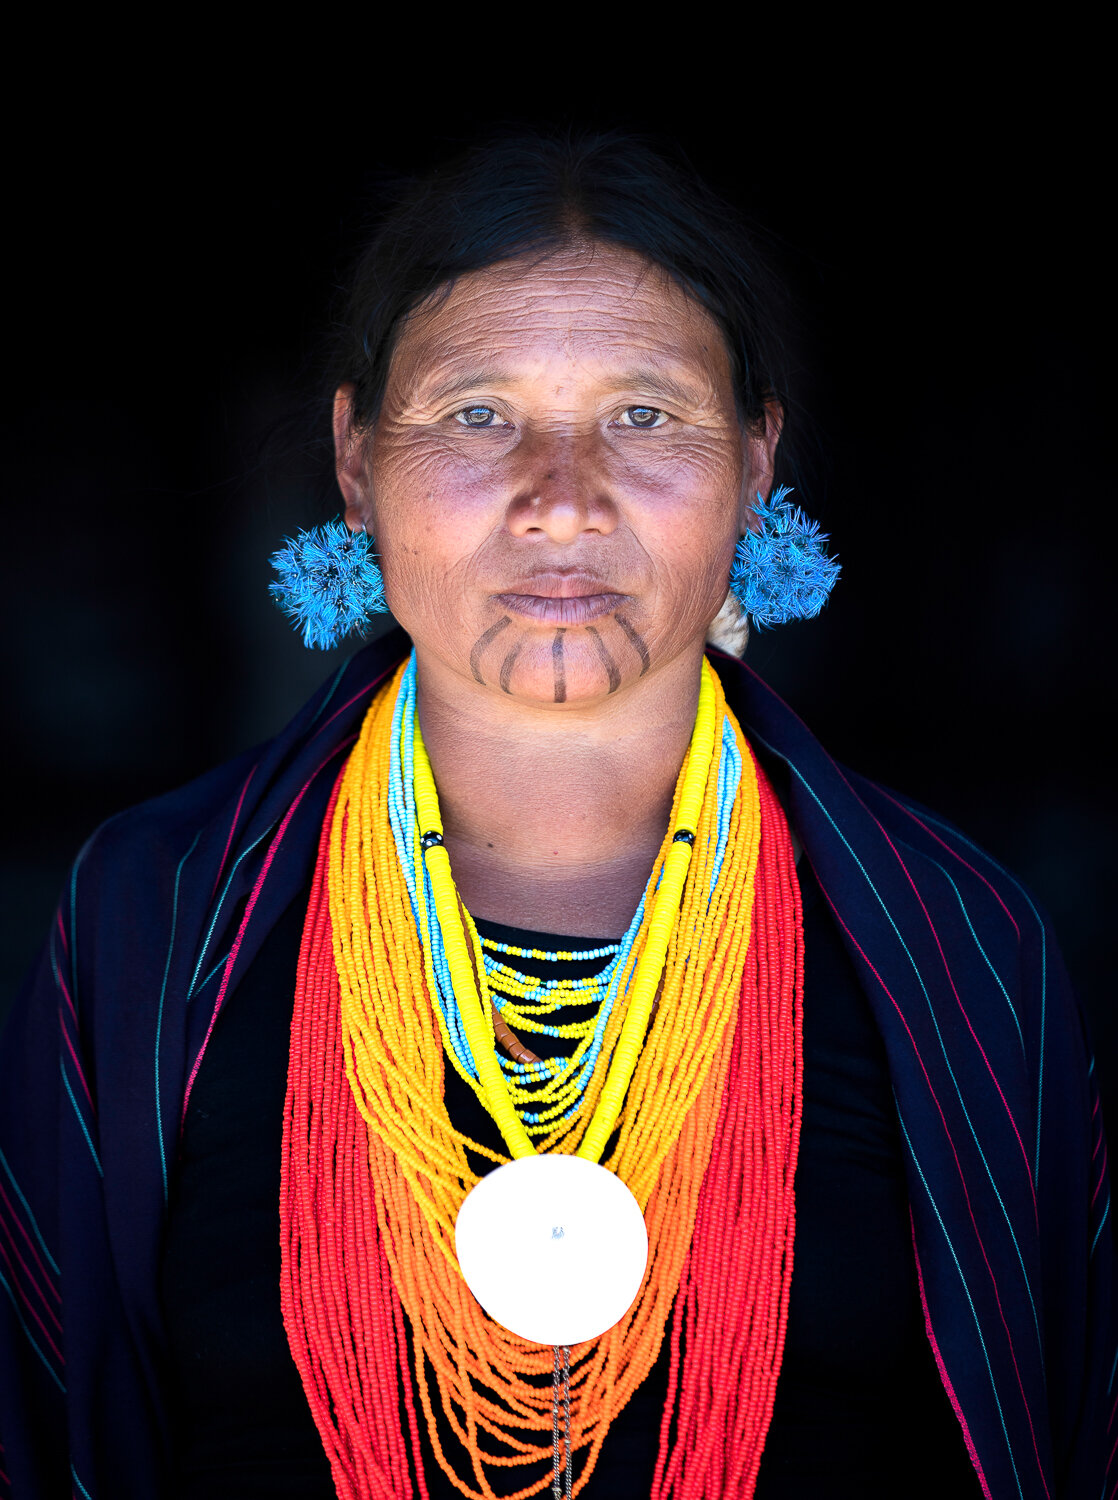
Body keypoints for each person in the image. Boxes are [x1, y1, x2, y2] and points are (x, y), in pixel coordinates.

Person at [0, 132, 1112, 1500]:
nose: (561, 500)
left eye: (643, 416)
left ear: (756, 460)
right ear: (356, 463)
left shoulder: (960, 949)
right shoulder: (150, 922)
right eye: (477, 414)